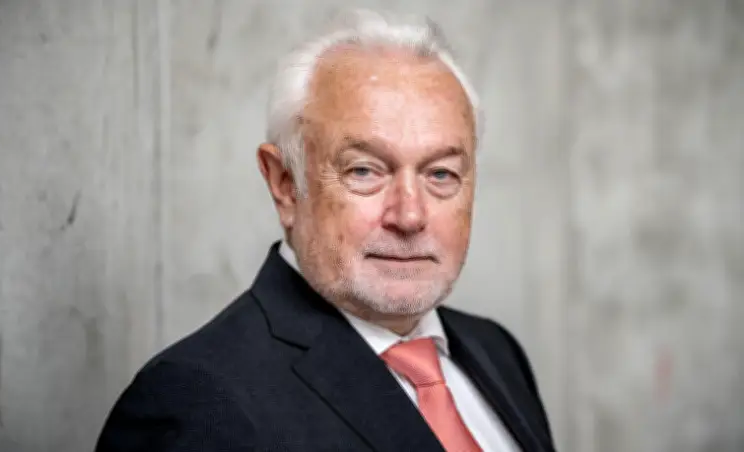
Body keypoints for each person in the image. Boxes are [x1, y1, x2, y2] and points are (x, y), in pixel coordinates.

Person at [95, 8, 555, 452]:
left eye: (440, 174)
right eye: (364, 171)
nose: (410, 216)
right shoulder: (196, 405)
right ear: (284, 184)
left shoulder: (497, 353)